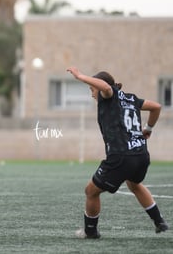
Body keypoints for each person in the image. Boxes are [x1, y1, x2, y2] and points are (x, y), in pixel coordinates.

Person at [66, 66, 169, 239]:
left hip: (122, 156)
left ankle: (90, 232)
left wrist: (81, 76)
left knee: (91, 191)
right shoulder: (131, 98)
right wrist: (148, 129)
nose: (92, 94)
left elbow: (106, 89)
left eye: (92, 90)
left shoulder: (109, 96)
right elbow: (157, 107)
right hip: (141, 154)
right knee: (134, 184)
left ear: (99, 87)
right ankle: (159, 221)